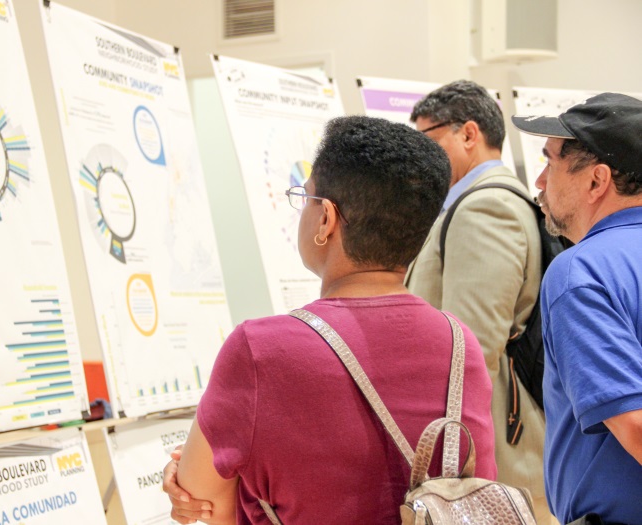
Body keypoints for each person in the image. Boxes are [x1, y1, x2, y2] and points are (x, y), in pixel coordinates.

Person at [163, 116, 496, 524]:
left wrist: (194, 477)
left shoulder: (260, 350)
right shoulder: (461, 345)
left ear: (326, 219)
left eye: (304, 197)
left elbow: (201, 504)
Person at [405, 80, 552, 522]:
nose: (418, 155)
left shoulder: (485, 207)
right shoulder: (471, 204)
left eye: (426, 140)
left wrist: (458, 462)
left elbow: (471, 351)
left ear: (469, 134)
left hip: (492, 451)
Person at [512, 92, 642, 524]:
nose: (540, 182)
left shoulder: (581, 271)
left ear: (596, 180)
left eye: (551, 162)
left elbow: (635, 424)